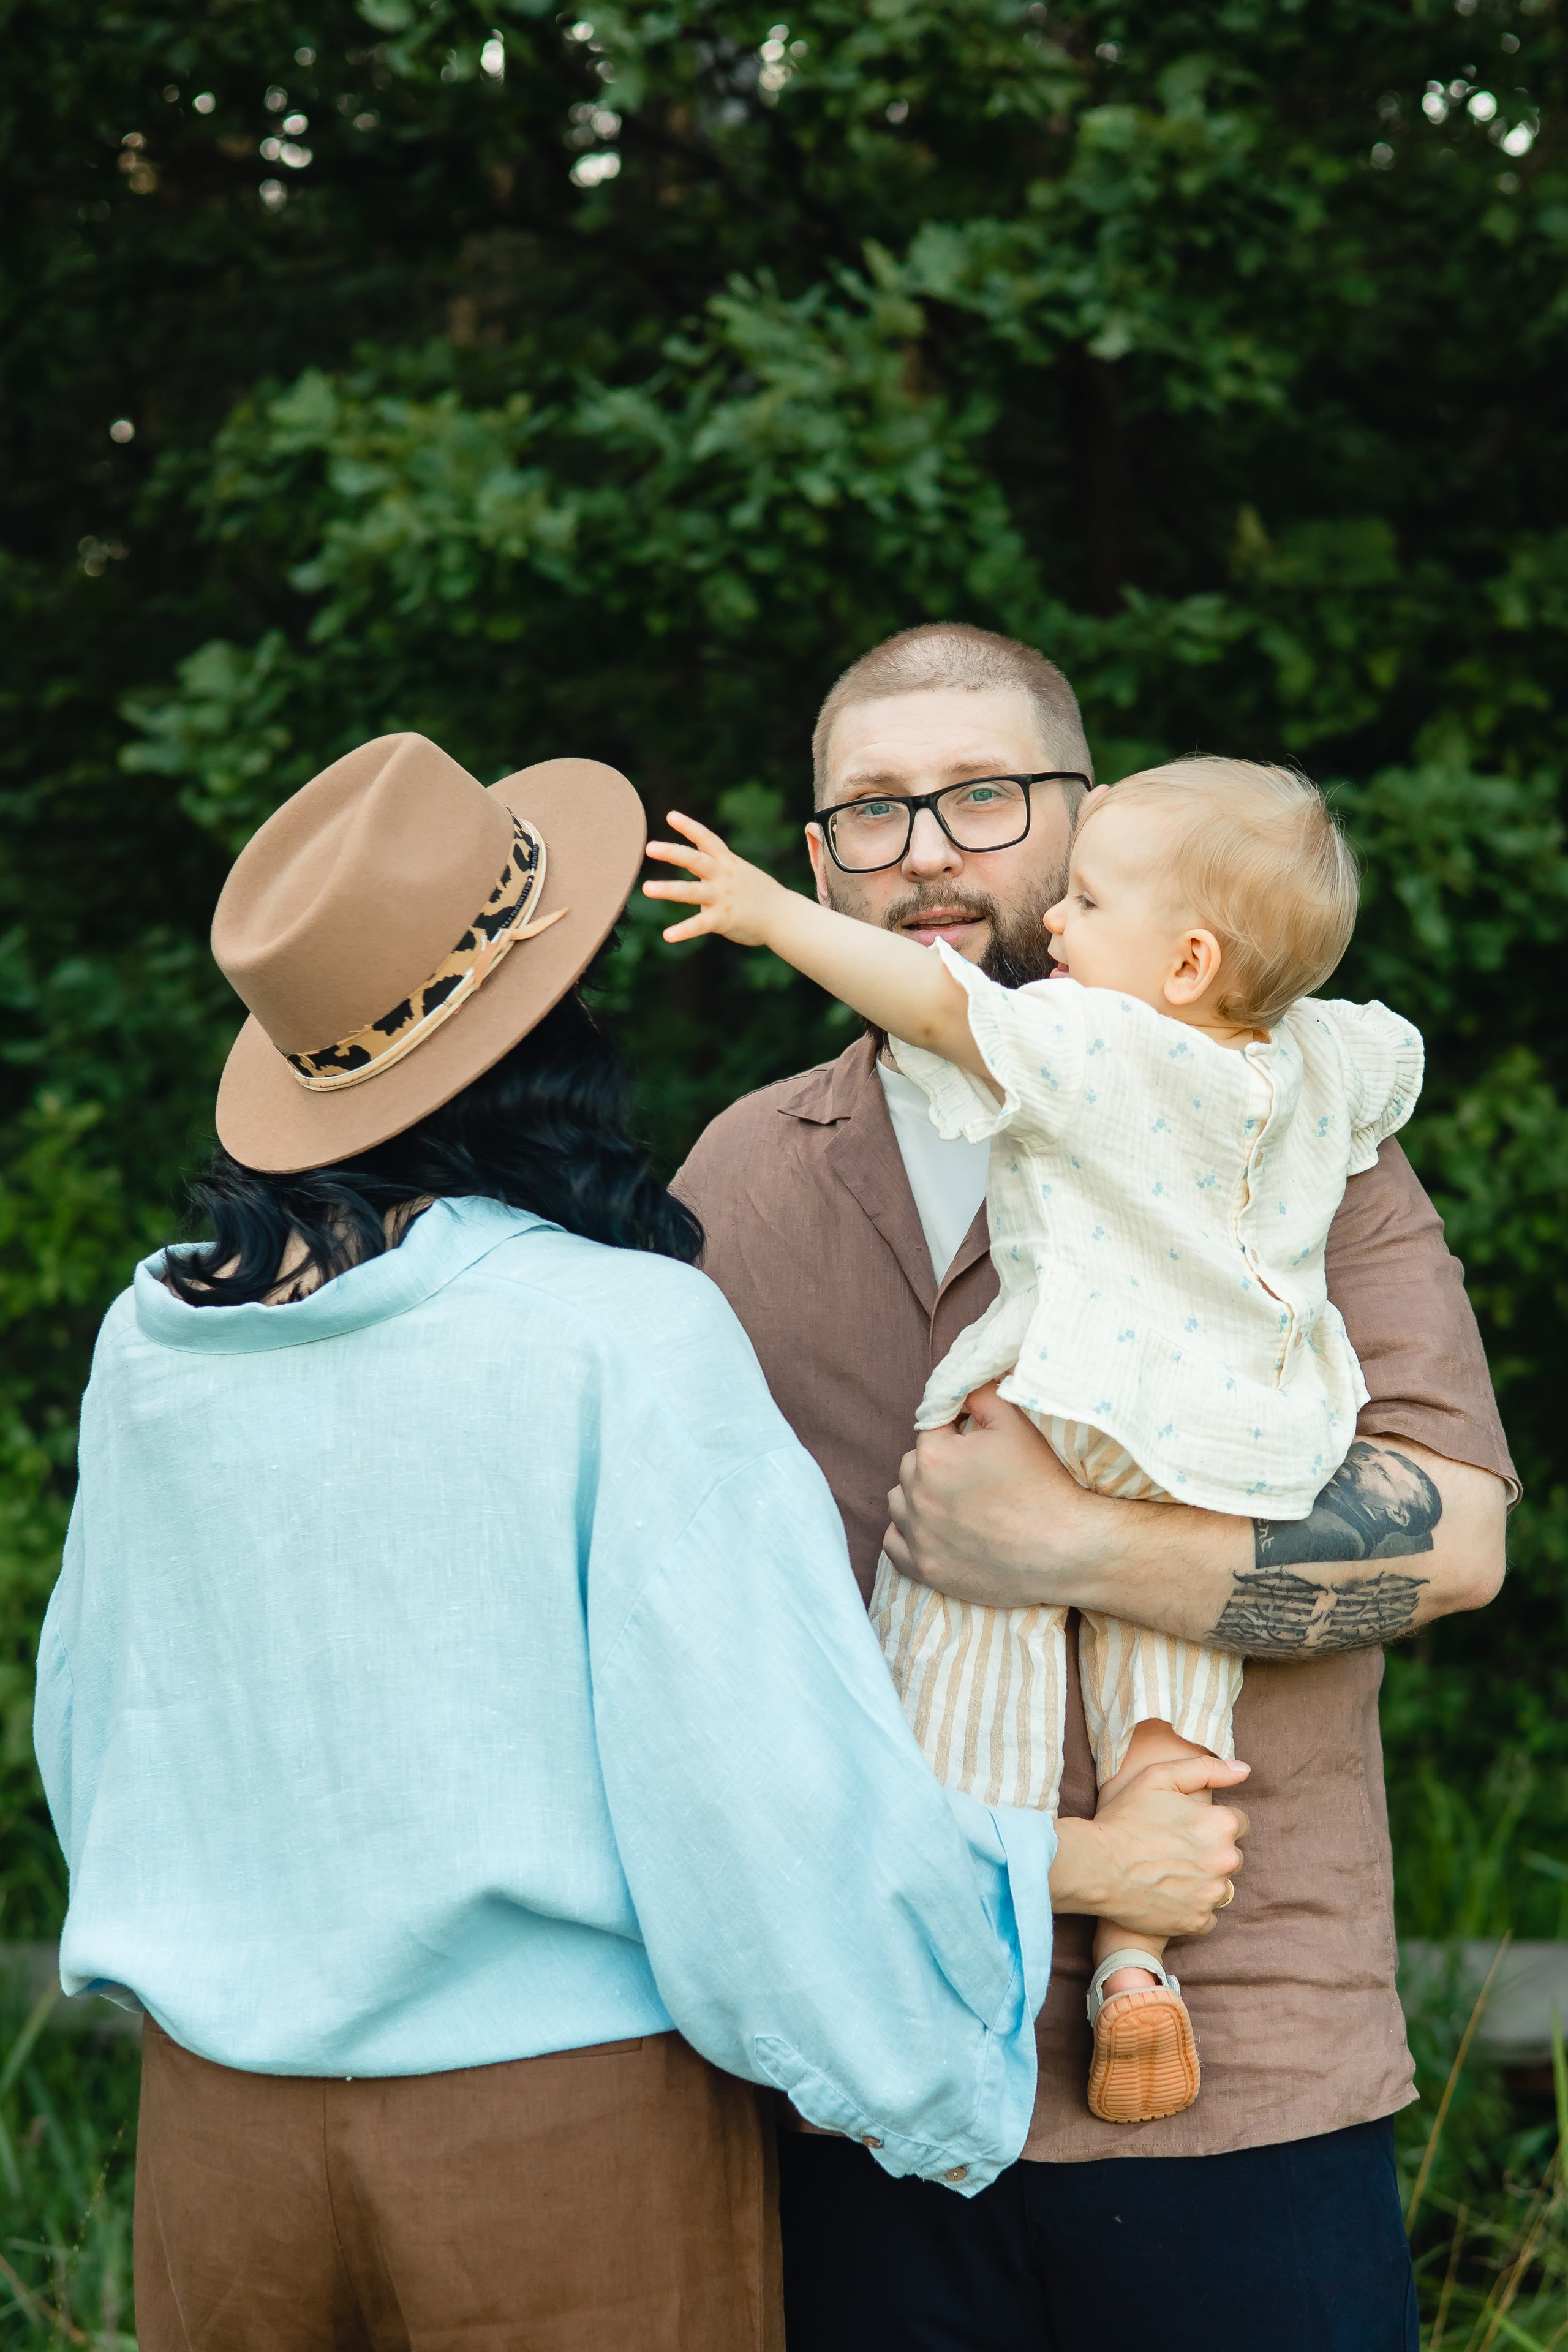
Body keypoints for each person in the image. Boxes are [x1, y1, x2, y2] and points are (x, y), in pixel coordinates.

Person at [33, 732, 1248, 2351]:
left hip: (217, 2144)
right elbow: (758, 1793)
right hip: (550, 2141)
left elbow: (92, 1734)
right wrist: (1067, 1869)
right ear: (553, 1025)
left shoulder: (156, 1340)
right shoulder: (620, 1331)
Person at [670, 624, 1515, 2352]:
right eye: (872, 811)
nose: (925, 853)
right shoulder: (741, 1177)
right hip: (865, 2071)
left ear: (1087, 816)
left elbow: (1455, 1539)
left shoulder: (1289, 1131)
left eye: (982, 795)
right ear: (818, 863)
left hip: (1245, 2065)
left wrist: (1070, 1544)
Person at [645, 752, 1424, 2132]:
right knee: (1172, 1714)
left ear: (1185, 960)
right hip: (1236, 1454)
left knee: (963, 1662)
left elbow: (936, 1004)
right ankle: (1136, 1964)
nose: (1059, 921)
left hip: (1074, 1412)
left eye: (1088, 900)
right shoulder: (1318, 1059)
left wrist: (770, 914)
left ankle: (964, 1969)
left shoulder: (1102, 1043)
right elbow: (1386, 1055)